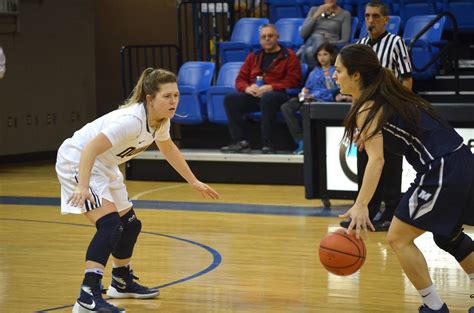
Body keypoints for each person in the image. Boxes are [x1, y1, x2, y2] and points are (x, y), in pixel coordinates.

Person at [56, 68, 220, 313]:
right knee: (110, 225)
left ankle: (121, 281)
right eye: (167, 96)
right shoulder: (131, 121)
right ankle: (87, 296)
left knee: (130, 224)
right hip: (78, 160)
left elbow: (168, 149)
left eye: (176, 95)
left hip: (106, 164)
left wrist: (193, 181)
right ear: (150, 98)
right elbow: (90, 148)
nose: (173, 101)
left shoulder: (160, 120)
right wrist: (82, 186)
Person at [334, 44, 474, 313]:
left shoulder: (369, 107)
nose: (334, 75)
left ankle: (433, 306)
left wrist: (362, 204)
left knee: (397, 237)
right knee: (450, 237)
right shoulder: (389, 95)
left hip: (441, 168)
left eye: (339, 70)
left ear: (356, 76)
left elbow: (377, 161)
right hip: (462, 161)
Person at [341, 0, 413, 232]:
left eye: (375, 16)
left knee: (390, 163)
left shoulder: (396, 42)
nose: (370, 21)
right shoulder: (360, 45)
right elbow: (356, 87)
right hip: (367, 112)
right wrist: (355, 117)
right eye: (367, 16)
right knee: (366, 161)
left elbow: (406, 78)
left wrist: (398, 108)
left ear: (386, 20)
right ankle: (365, 211)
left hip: (389, 112)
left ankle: (391, 212)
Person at [220, 23, 301, 154]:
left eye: (270, 36)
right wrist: (247, 88)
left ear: (277, 37)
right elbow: (240, 79)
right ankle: (240, 142)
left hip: (279, 95)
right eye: (264, 37)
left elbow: (293, 81)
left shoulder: (289, 56)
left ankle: (268, 143)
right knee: (230, 99)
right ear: (260, 40)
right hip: (256, 94)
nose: (267, 39)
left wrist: (271, 87)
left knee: (268, 98)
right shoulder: (254, 56)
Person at [281, 42, 338, 155]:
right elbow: (307, 87)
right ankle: (300, 141)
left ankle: (310, 143)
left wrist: (314, 96)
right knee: (286, 107)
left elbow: (333, 91)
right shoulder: (314, 72)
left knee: (305, 110)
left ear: (331, 56)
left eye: (325, 54)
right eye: (319, 55)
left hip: (323, 100)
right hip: (307, 99)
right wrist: (303, 93)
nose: (322, 57)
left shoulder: (335, 71)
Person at [298, 0, 351, 69]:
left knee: (309, 52)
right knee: (317, 36)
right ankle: (324, 72)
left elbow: (345, 40)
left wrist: (331, 42)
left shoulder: (345, 14)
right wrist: (317, 14)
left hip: (330, 46)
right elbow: (303, 34)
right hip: (312, 41)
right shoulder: (314, 10)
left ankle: (315, 74)